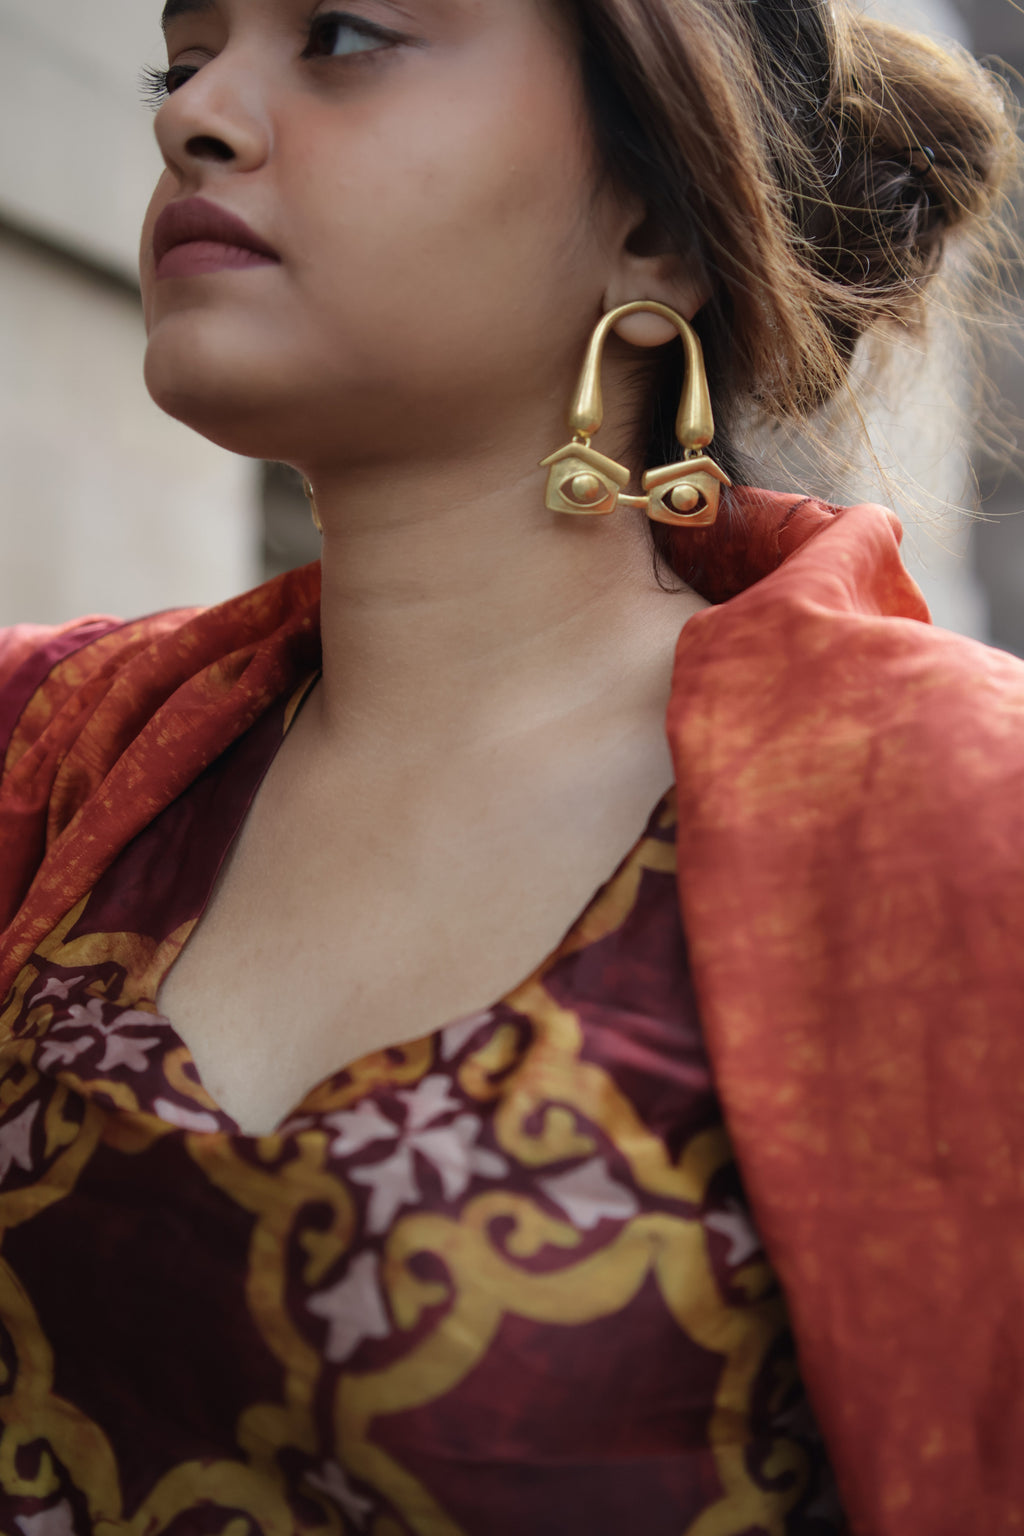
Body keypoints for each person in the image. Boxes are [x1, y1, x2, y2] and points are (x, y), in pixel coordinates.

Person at [0, 0, 1021, 1530]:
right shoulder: (46, 750)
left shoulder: (957, 819)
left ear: (655, 220)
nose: (190, 114)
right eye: (181, 51)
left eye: (342, 36)